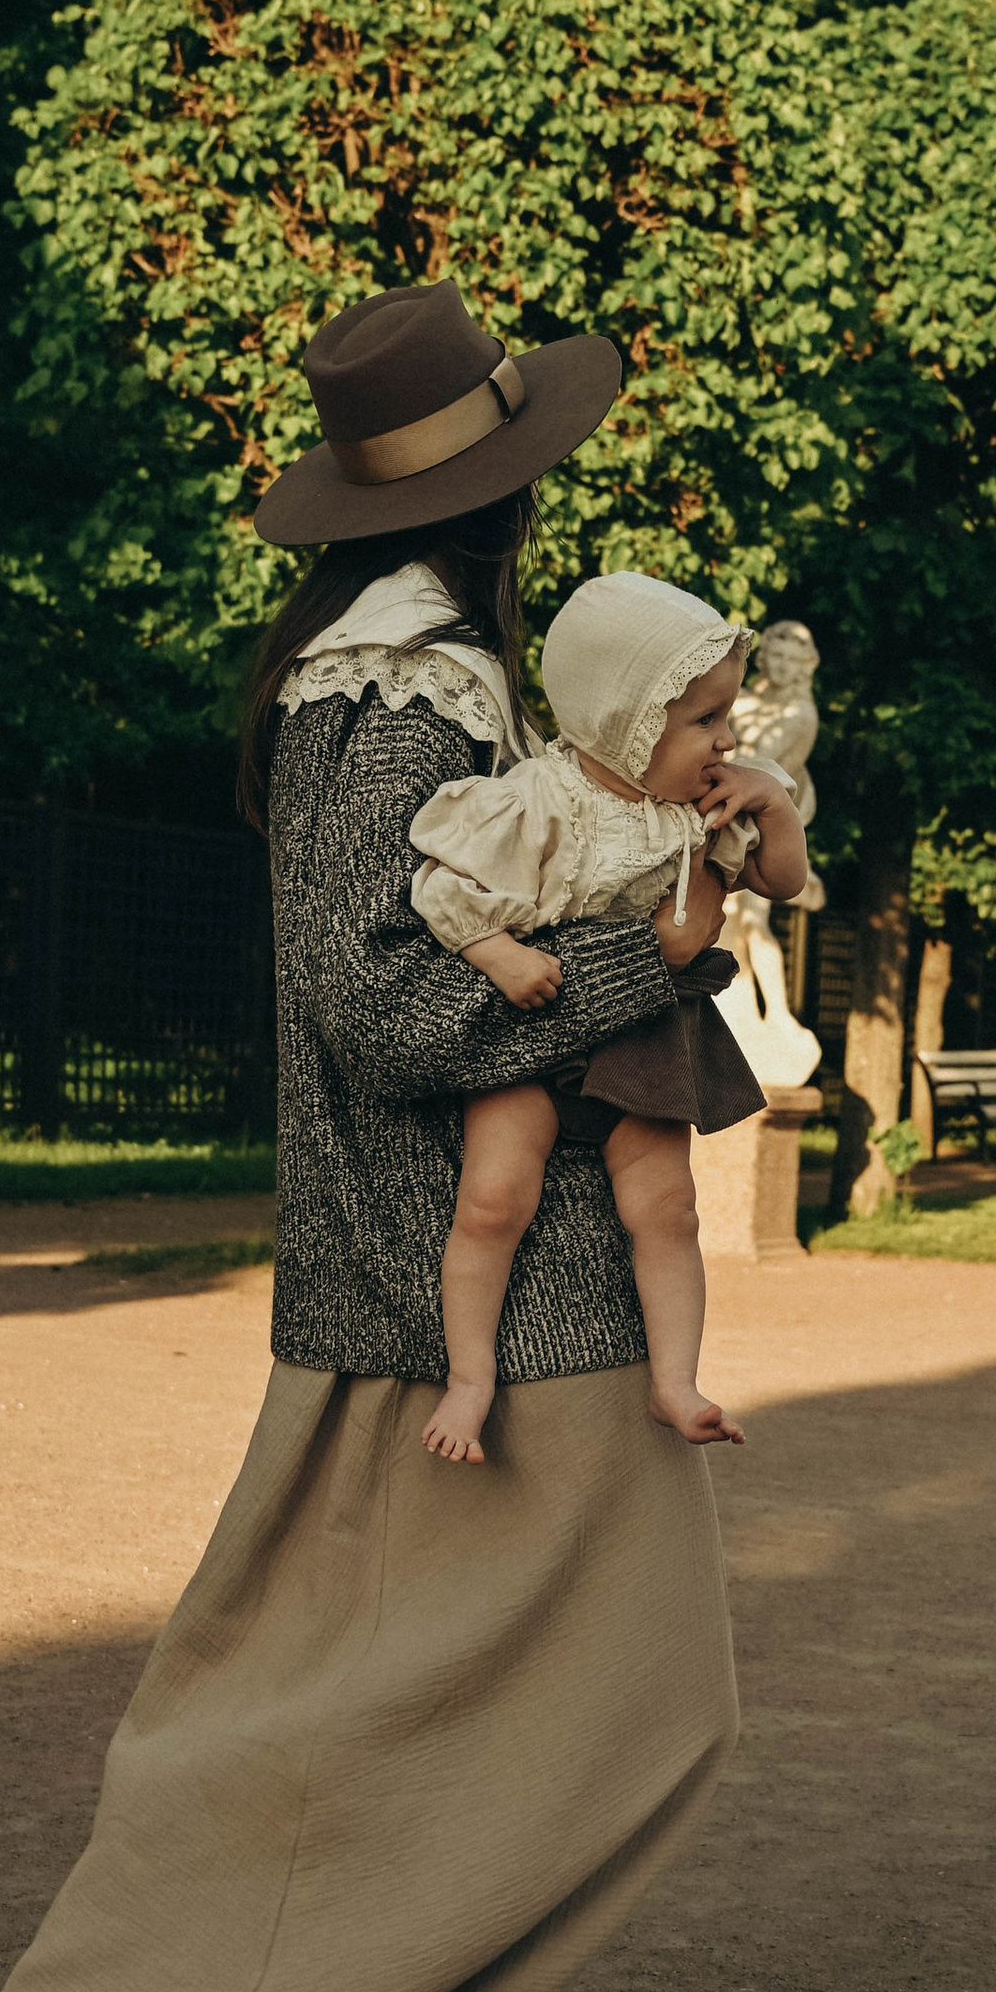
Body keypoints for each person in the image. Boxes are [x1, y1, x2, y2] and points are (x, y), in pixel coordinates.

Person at [0, 281, 743, 1992]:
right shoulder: (397, 702)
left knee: (435, 1752)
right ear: (496, 501)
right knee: (626, 1721)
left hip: (446, 1289)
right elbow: (384, 1008)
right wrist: (645, 974)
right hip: (482, 1302)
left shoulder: (408, 680)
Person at [408, 571, 811, 1460]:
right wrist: (498, 953)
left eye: (726, 715)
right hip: (536, 1025)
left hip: (649, 1033)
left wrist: (776, 805)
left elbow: (782, 880)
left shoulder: (711, 802)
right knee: (491, 1202)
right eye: (704, 719)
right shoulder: (538, 800)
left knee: (669, 1209)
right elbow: (441, 890)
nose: (727, 737)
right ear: (626, 721)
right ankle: (469, 1380)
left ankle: (675, 1382)